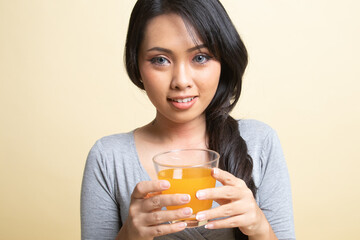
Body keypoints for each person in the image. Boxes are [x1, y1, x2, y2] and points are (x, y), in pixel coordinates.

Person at [80, 0, 295, 239]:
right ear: (137, 65)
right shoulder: (108, 158)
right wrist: (129, 234)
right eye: (160, 59)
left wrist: (260, 228)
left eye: (200, 57)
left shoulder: (259, 142)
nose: (181, 81)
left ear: (224, 61)